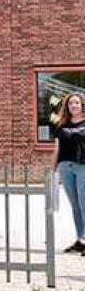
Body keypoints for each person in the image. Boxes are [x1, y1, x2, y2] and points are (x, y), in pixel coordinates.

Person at [52, 93, 85, 254]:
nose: (74, 106)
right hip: (65, 167)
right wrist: (53, 171)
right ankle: (81, 239)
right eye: (71, 103)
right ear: (67, 106)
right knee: (75, 205)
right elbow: (57, 149)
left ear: (82, 105)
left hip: (83, 166)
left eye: (77, 103)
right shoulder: (61, 126)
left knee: (84, 203)